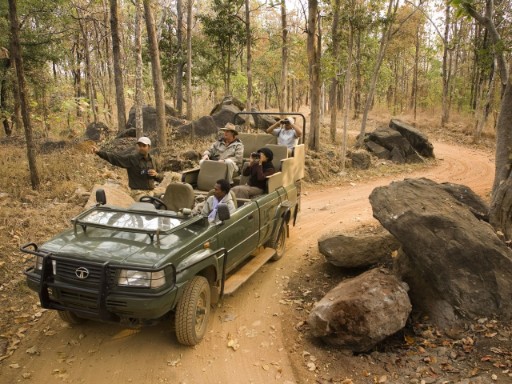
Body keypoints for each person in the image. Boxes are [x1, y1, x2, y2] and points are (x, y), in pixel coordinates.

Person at [92, 137, 163, 202]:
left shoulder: (153, 160)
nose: (141, 148)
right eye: (140, 146)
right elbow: (115, 158)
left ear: (149, 147)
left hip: (151, 192)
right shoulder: (132, 158)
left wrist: (156, 175)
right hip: (138, 192)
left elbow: (161, 177)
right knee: (146, 205)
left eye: (144, 146)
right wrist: (99, 152)